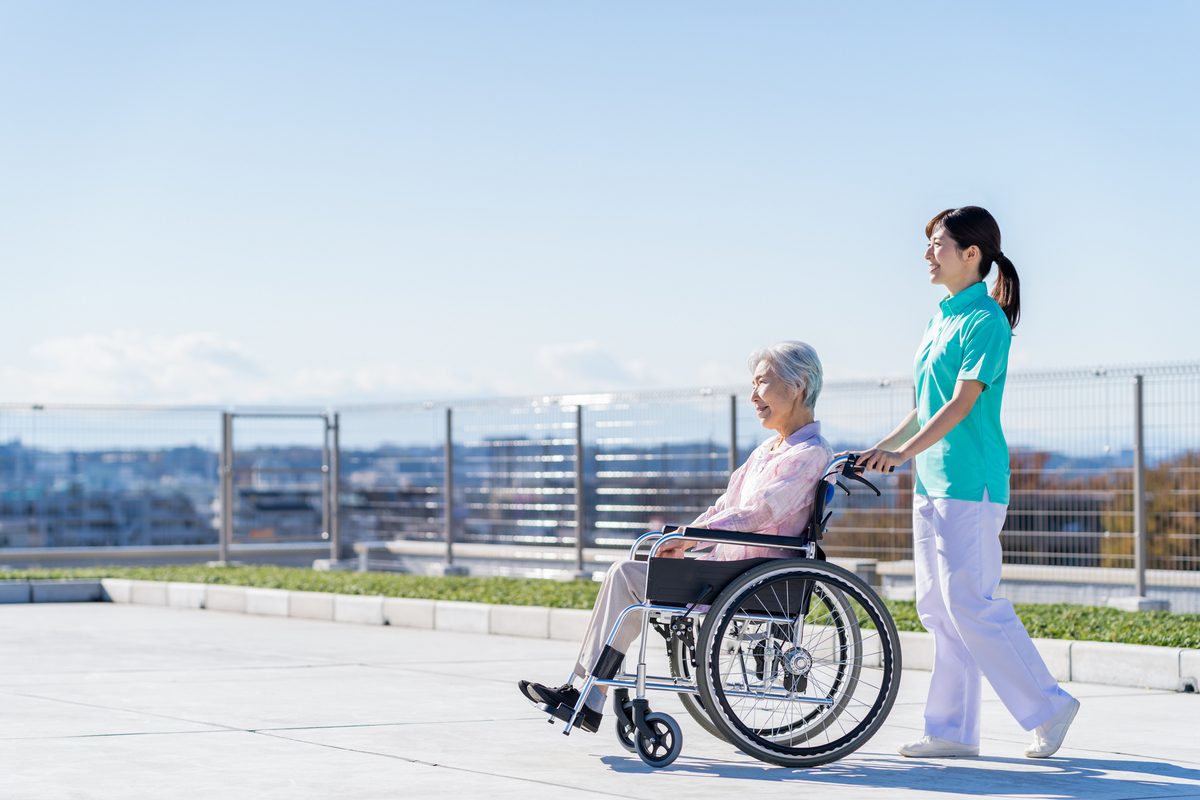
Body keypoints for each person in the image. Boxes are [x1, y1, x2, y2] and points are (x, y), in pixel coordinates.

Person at [850, 206, 1079, 759]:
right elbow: (923, 404)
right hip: (931, 481)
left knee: (970, 601)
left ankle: (1049, 707)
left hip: (969, 480)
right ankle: (951, 730)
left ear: (971, 254)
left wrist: (904, 453)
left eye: (938, 244)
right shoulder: (941, 317)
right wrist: (885, 447)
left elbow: (961, 402)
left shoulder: (985, 321)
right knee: (936, 604)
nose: (928, 254)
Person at [519, 341, 834, 732]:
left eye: (762, 384)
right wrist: (684, 537)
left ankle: (587, 696)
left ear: (798, 385)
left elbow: (758, 514)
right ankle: (586, 694)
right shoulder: (768, 451)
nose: (753, 396)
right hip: (729, 568)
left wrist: (690, 540)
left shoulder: (809, 454)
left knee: (626, 576)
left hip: (751, 577)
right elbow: (724, 507)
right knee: (631, 572)